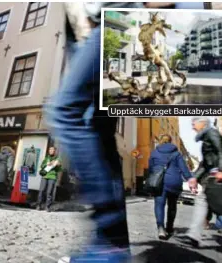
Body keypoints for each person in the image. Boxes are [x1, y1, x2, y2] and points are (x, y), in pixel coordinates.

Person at [46, 3, 148, 262]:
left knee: (64, 111)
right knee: (102, 140)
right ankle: (113, 245)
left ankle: (107, 234)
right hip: (99, 33)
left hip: (112, 23)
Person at [185, 117, 222, 247]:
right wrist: (194, 177)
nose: (192, 127)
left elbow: (221, 151)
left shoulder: (212, 133)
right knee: (205, 200)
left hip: (220, 174)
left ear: (202, 123)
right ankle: (194, 234)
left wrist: (221, 170)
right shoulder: (206, 137)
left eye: (194, 124)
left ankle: (194, 233)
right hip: (214, 174)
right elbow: (205, 164)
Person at [149, 134, 196, 239]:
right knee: (172, 205)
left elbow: (151, 168)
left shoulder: (154, 152)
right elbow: (183, 168)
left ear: (160, 141)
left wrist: (150, 180)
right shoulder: (176, 153)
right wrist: (190, 179)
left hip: (159, 182)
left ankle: (161, 228)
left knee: (159, 205)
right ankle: (169, 228)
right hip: (174, 181)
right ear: (170, 141)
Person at [36, 146, 61, 212]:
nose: (51, 151)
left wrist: (58, 165)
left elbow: (59, 170)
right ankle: (39, 205)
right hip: (44, 176)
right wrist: (47, 164)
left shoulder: (57, 159)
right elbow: (41, 166)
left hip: (52, 177)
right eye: (50, 149)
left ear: (55, 151)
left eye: (52, 150)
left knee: (49, 192)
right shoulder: (46, 158)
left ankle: (47, 207)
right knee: (41, 190)